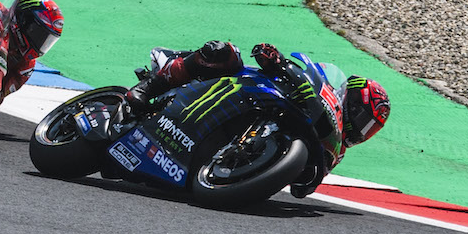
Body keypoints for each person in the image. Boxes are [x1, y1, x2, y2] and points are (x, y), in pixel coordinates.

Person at [122, 40, 389, 196]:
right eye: (363, 119)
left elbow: (303, 187)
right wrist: (274, 59)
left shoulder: (334, 150)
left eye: (370, 129)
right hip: (239, 86)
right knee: (224, 52)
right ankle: (150, 86)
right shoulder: (321, 88)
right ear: (351, 101)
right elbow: (274, 62)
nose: (362, 130)